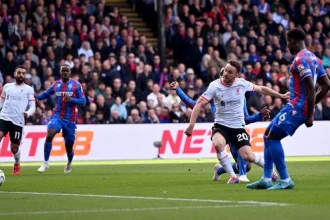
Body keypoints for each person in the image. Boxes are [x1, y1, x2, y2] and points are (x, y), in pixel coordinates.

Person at [247, 28, 330, 190]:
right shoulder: (314, 58)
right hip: (296, 105)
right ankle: (266, 178)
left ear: (293, 41)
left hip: (296, 108)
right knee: (266, 135)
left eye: (287, 43)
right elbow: (326, 84)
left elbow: (310, 88)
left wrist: (310, 114)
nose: (287, 47)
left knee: (272, 138)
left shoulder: (300, 59)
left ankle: (285, 180)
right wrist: (310, 107)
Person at [184, 60, 289, 184]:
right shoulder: (214, 85)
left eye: (230, 72)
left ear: (236, 76)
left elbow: (261, 89)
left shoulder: (242, 84)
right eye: (226, 70)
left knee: (248, 157)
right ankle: (233, 176)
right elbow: (199, 104)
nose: (226, 73)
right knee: (218, 144)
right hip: (221, 126)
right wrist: (191, 126)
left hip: (238, 128)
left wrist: (281, 96)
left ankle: (270, 169)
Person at [170, 78, 277, 183]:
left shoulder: (240, 94)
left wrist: (259, 116)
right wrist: (179, 90)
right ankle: (242, 175)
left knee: (246, 164)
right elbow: (194, 105)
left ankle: (221, 170)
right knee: (233, 153)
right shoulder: (216, 90)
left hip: (237, 128)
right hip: (222, 128)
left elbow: (245, 119)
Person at [36, 65, 86, 174]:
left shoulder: (76, 85)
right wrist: (36, 96)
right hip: (57, 116)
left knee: (69, 146)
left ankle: (69, 162)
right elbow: (45, 94)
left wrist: (72, 99)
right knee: (50, 134)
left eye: (67, 71)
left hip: (70, 120)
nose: (65, 73)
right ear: (60, 72)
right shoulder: (56, 84)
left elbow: (83, 101)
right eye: (63, 71)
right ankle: (45, 163)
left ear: (70, 72)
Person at [0, 65, 36, 175]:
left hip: (18, 121)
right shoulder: (7, 86)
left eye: (23, 73)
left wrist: (28, 113)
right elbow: (1, 100)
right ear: (15, 74)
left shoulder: (29, 89)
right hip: (4, 117)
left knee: (14, 148)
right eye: (19, 73)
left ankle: (17, 162)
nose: (21, 75)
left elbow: (33, 106)